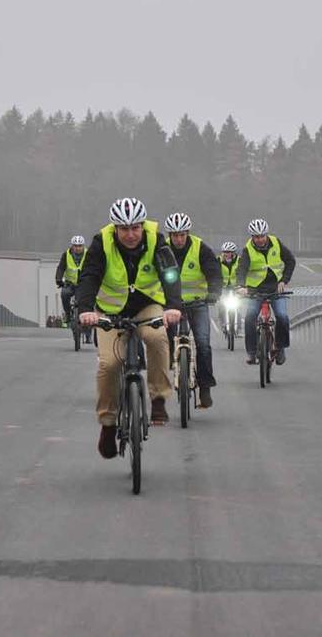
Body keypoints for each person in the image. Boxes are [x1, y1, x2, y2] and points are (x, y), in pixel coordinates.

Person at [76, 197, 182, 459]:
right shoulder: (102, 243)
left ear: (142, 225)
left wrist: (172, 305)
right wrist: (85, 310)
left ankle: (158, 398)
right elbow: (89, 276)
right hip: (110, 311)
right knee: (110, 364)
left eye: (135, 228)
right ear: (115, 229)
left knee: (157, 338)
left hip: (148, 305)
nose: (131, 235)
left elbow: (169, 273)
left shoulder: (156, 238)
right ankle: (108, 424)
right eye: (124, 229)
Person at [163, 212, 222, 408]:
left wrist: (214, 292)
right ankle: (173, 362)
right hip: (171, 305)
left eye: (182, 234)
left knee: (203, 344)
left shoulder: (200, 248)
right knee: (165, 339)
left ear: (187, 233)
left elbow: (213, 272)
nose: (178, 239)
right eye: (175, 235)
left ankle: (205, 387)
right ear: (169, 235)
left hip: (197, 303)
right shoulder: (161, 250)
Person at [235, 218, 296, 366]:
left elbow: (290, 261)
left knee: (282, 317)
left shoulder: (276, 243)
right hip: (255, 290)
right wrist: (241, 286)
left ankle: (280, 347)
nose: (260, 239)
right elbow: (241, 269)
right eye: (256, 237)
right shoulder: (247, 249)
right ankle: (251, 352)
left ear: (266, 235)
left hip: (275, 288)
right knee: (250, 317)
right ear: (252, 237)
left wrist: (284, 281)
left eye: (262, 236)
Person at [55, 235, 89, 340]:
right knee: (64, 294)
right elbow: (61, 268)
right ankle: (68, 314)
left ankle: (88, 333)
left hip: (83, 284)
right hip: (70, 283)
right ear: (72, 246)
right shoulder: (66, 255)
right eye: (75, 246)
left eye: (80, 246)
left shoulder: (88, 255)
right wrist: (59, 280)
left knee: (86, 303)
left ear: (83, 246)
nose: (77, 248)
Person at [217, 240, 239, 326]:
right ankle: (222, 320)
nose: (227, 254)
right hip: (223, 287)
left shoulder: (239, 261)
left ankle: (238, 325)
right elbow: (215, 273)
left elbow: (242, 272)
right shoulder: (218, 260)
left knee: (238, 306)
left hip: (235, 287)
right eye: (225, 252)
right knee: (222, 303)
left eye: (229, 252)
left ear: (233, 253)